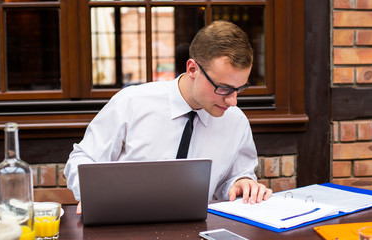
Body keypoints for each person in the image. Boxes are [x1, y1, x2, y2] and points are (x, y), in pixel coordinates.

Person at [64, 20, 272, 211]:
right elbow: (82, 159)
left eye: (239, 89)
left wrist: (241, 182)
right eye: (223, 88)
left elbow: (233, 178)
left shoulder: (236, 121)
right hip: (127, 226)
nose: (233, 101)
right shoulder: (132, 102)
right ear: (192, 69)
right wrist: (93, 194)